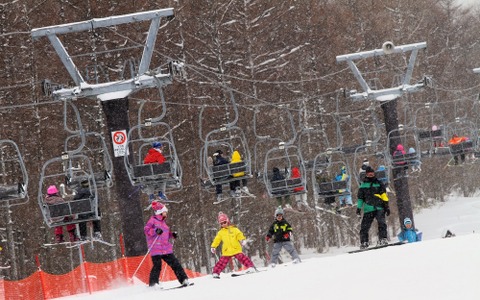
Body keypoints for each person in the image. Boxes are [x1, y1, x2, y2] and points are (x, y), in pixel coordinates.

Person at [144, 201, 190, 288]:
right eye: (165, 211)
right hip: (156, 248)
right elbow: (146, 230)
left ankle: (184, 280)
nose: (166, 213)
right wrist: (155, 231)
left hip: (165, 248)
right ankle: (153, 284)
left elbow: (165, 235)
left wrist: (172, 235)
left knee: (175, 263)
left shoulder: (164, 223)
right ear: (160, 212)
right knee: (157, 266)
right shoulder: (152, 220)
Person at [210, 212, 255, 278]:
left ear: (227, 221)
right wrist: (213, 246)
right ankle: (215, 273)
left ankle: (251, 267)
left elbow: (239, 235)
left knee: (243, 258)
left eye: (224, 222)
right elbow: (216, 240)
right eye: (221, 223)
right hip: (227, 250)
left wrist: (242, 240)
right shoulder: (220, 233)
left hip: (235, 249)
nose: (223, 224)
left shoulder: (234, 229)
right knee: (221, 262)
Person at [356, 166, 390, 249]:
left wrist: (387, 206)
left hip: (379, 207)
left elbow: (384, 195)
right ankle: (364, 242)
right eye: (369, 173)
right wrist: (359, 208)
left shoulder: (379, 183)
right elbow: (360, 199)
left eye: (372, 173)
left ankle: (383, 239)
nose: (371, 175)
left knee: (382, 223)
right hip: (368, 209)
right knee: (364, 227)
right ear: (366, 174)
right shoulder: (363, 186)